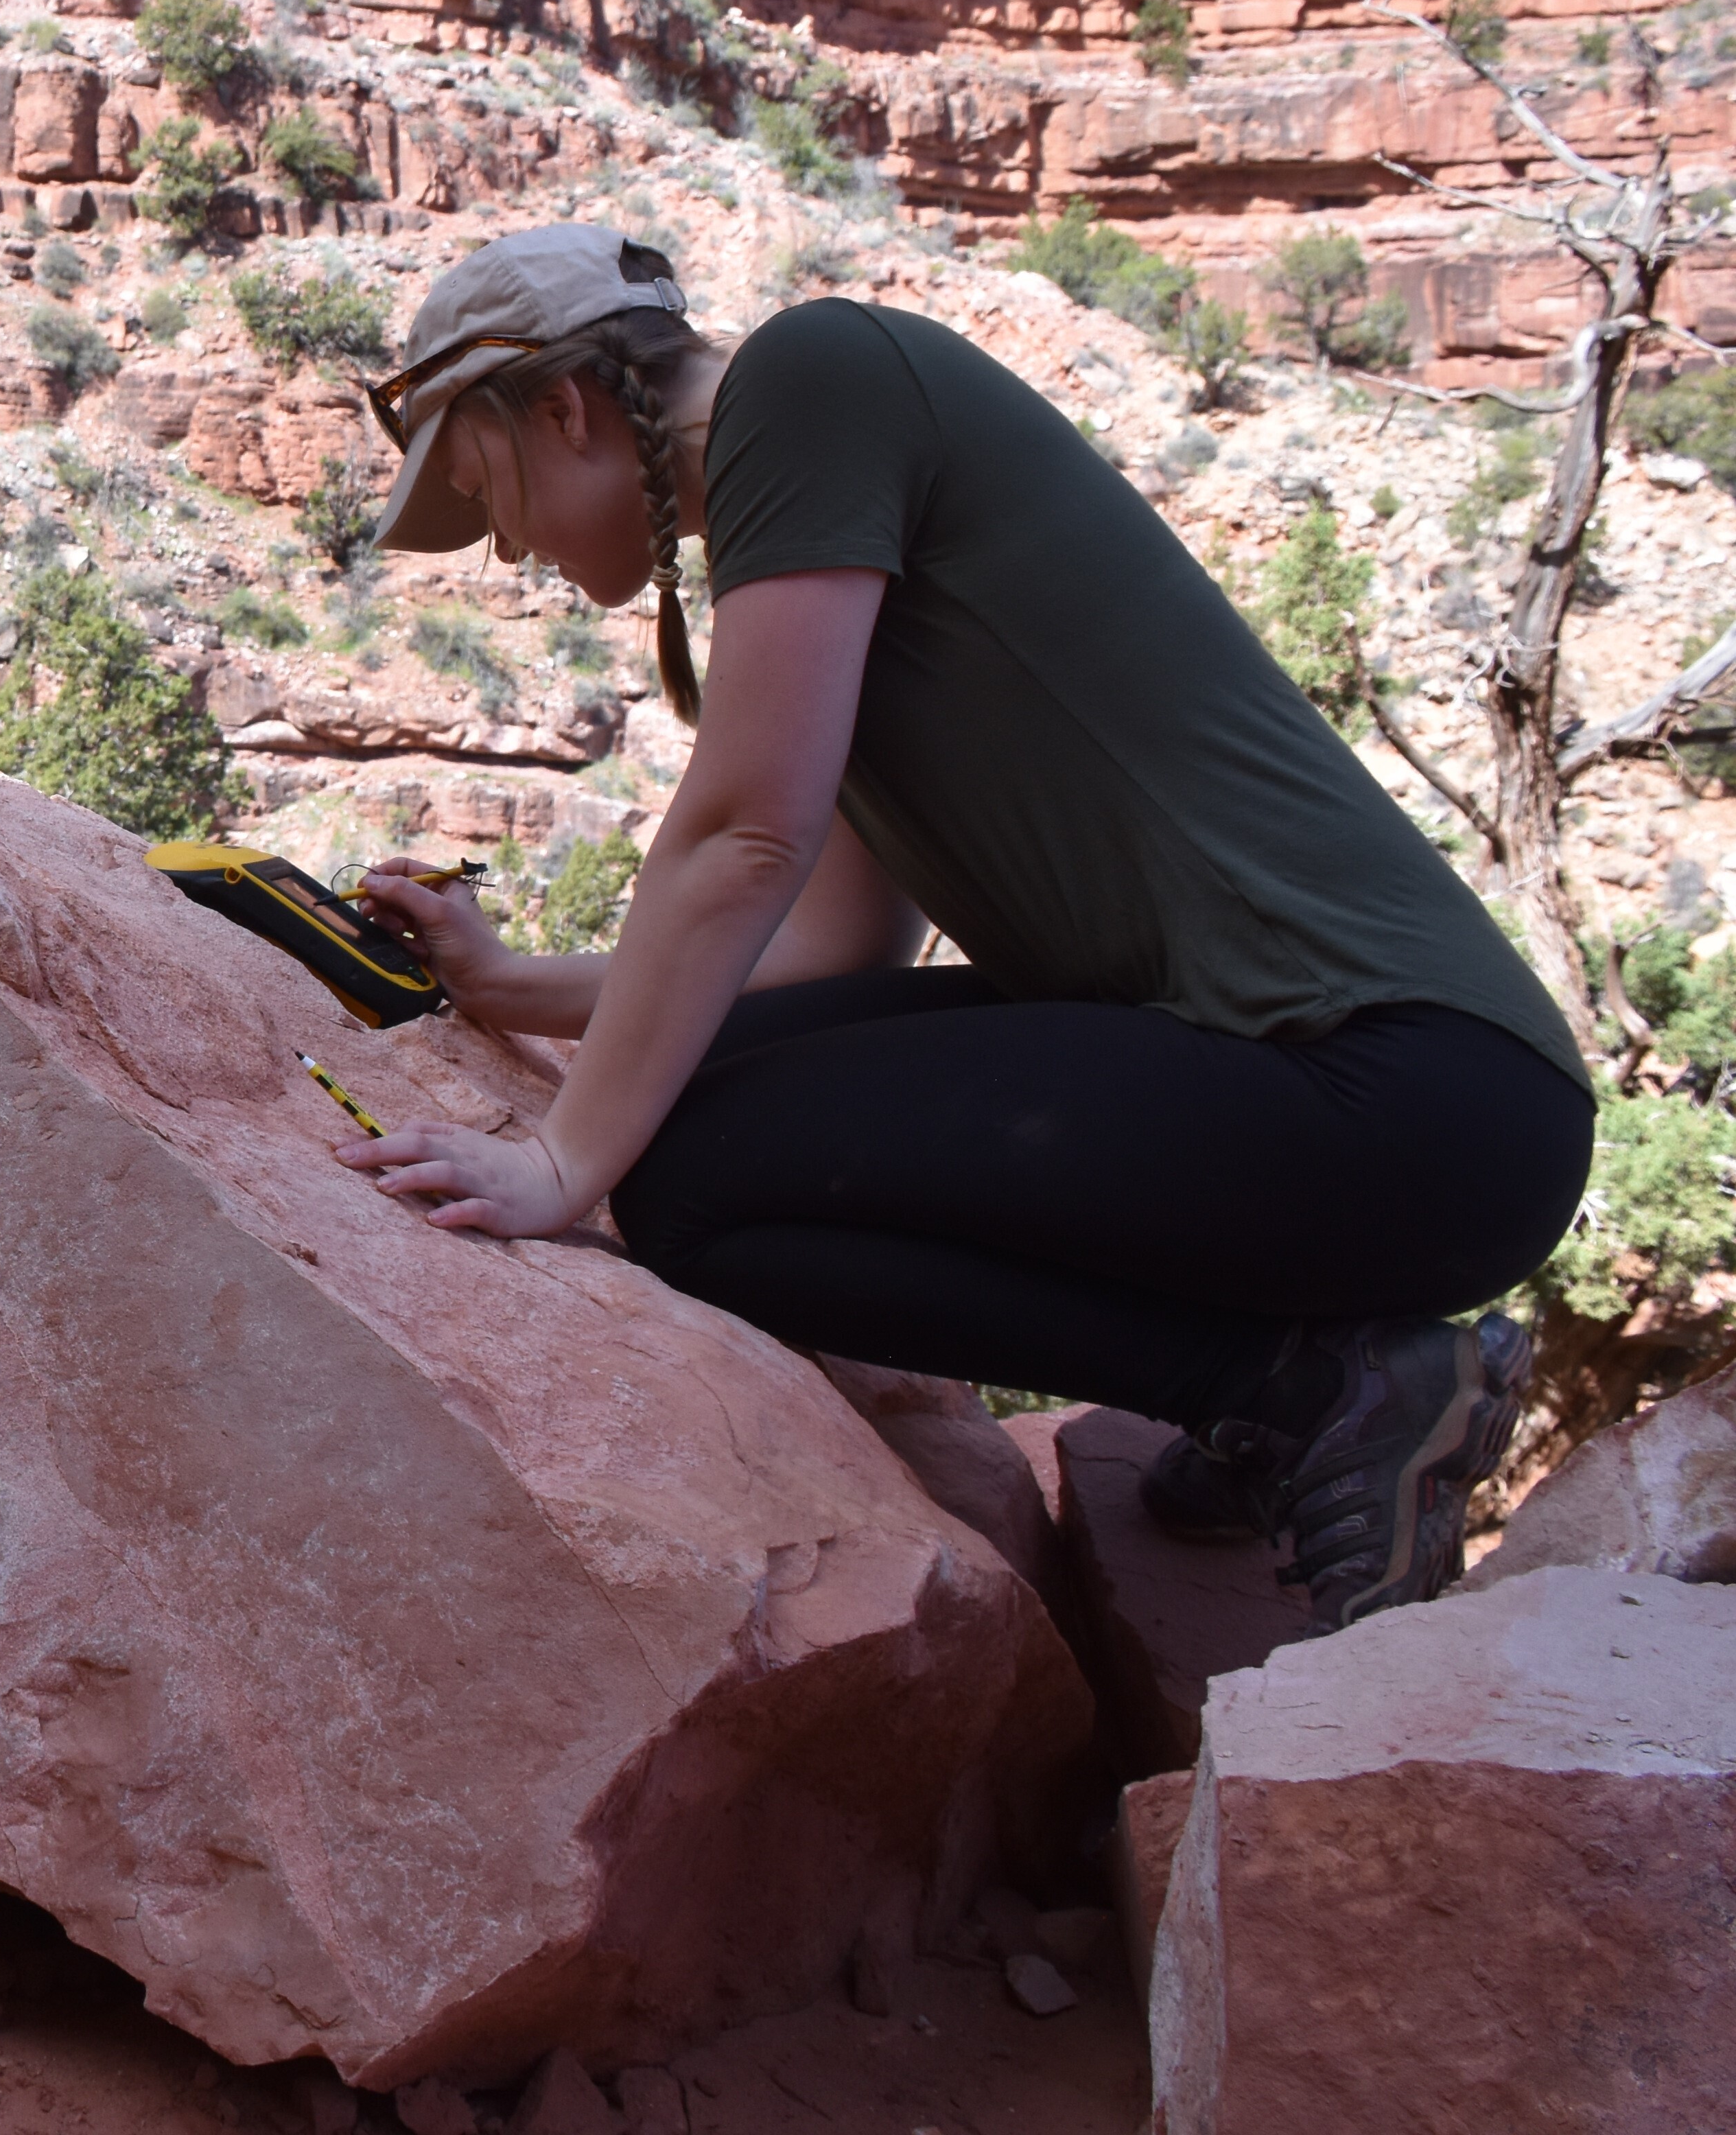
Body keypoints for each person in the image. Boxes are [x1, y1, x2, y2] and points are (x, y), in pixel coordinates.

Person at [331, 222, 1589, 1633]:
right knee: (698, 1147)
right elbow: (832, 950)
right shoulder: (819, 524)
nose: (503, 543)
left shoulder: (808, 381)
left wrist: (566, 1157)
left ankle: (1307, 1389)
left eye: (483, 485)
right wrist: (505, 982)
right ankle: (1306, 1368)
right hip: (1312, 1088)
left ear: (563, 406)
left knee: (680, 1171)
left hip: (1412, 1095)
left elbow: (747, 832)